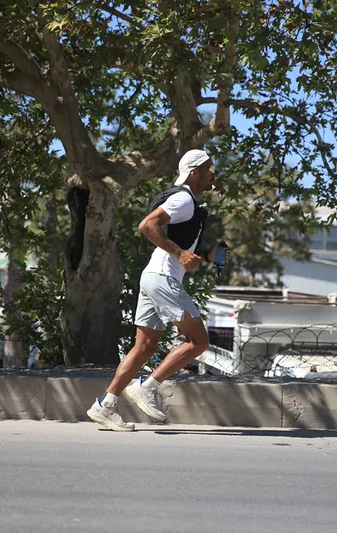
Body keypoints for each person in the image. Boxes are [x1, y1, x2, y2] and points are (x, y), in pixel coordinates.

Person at [86, 149, 229, 431]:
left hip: (152, 276)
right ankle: (148, 387)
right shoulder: (183, 199)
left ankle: (106, 405)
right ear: (194, 172)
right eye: (210, 168)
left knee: (144, 347)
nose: (214, 173)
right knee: (198, 341)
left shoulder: (189, 204)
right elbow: (147, 225)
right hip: (162, 278)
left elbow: (179, 246)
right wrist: (179, 254)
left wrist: (207, 255)